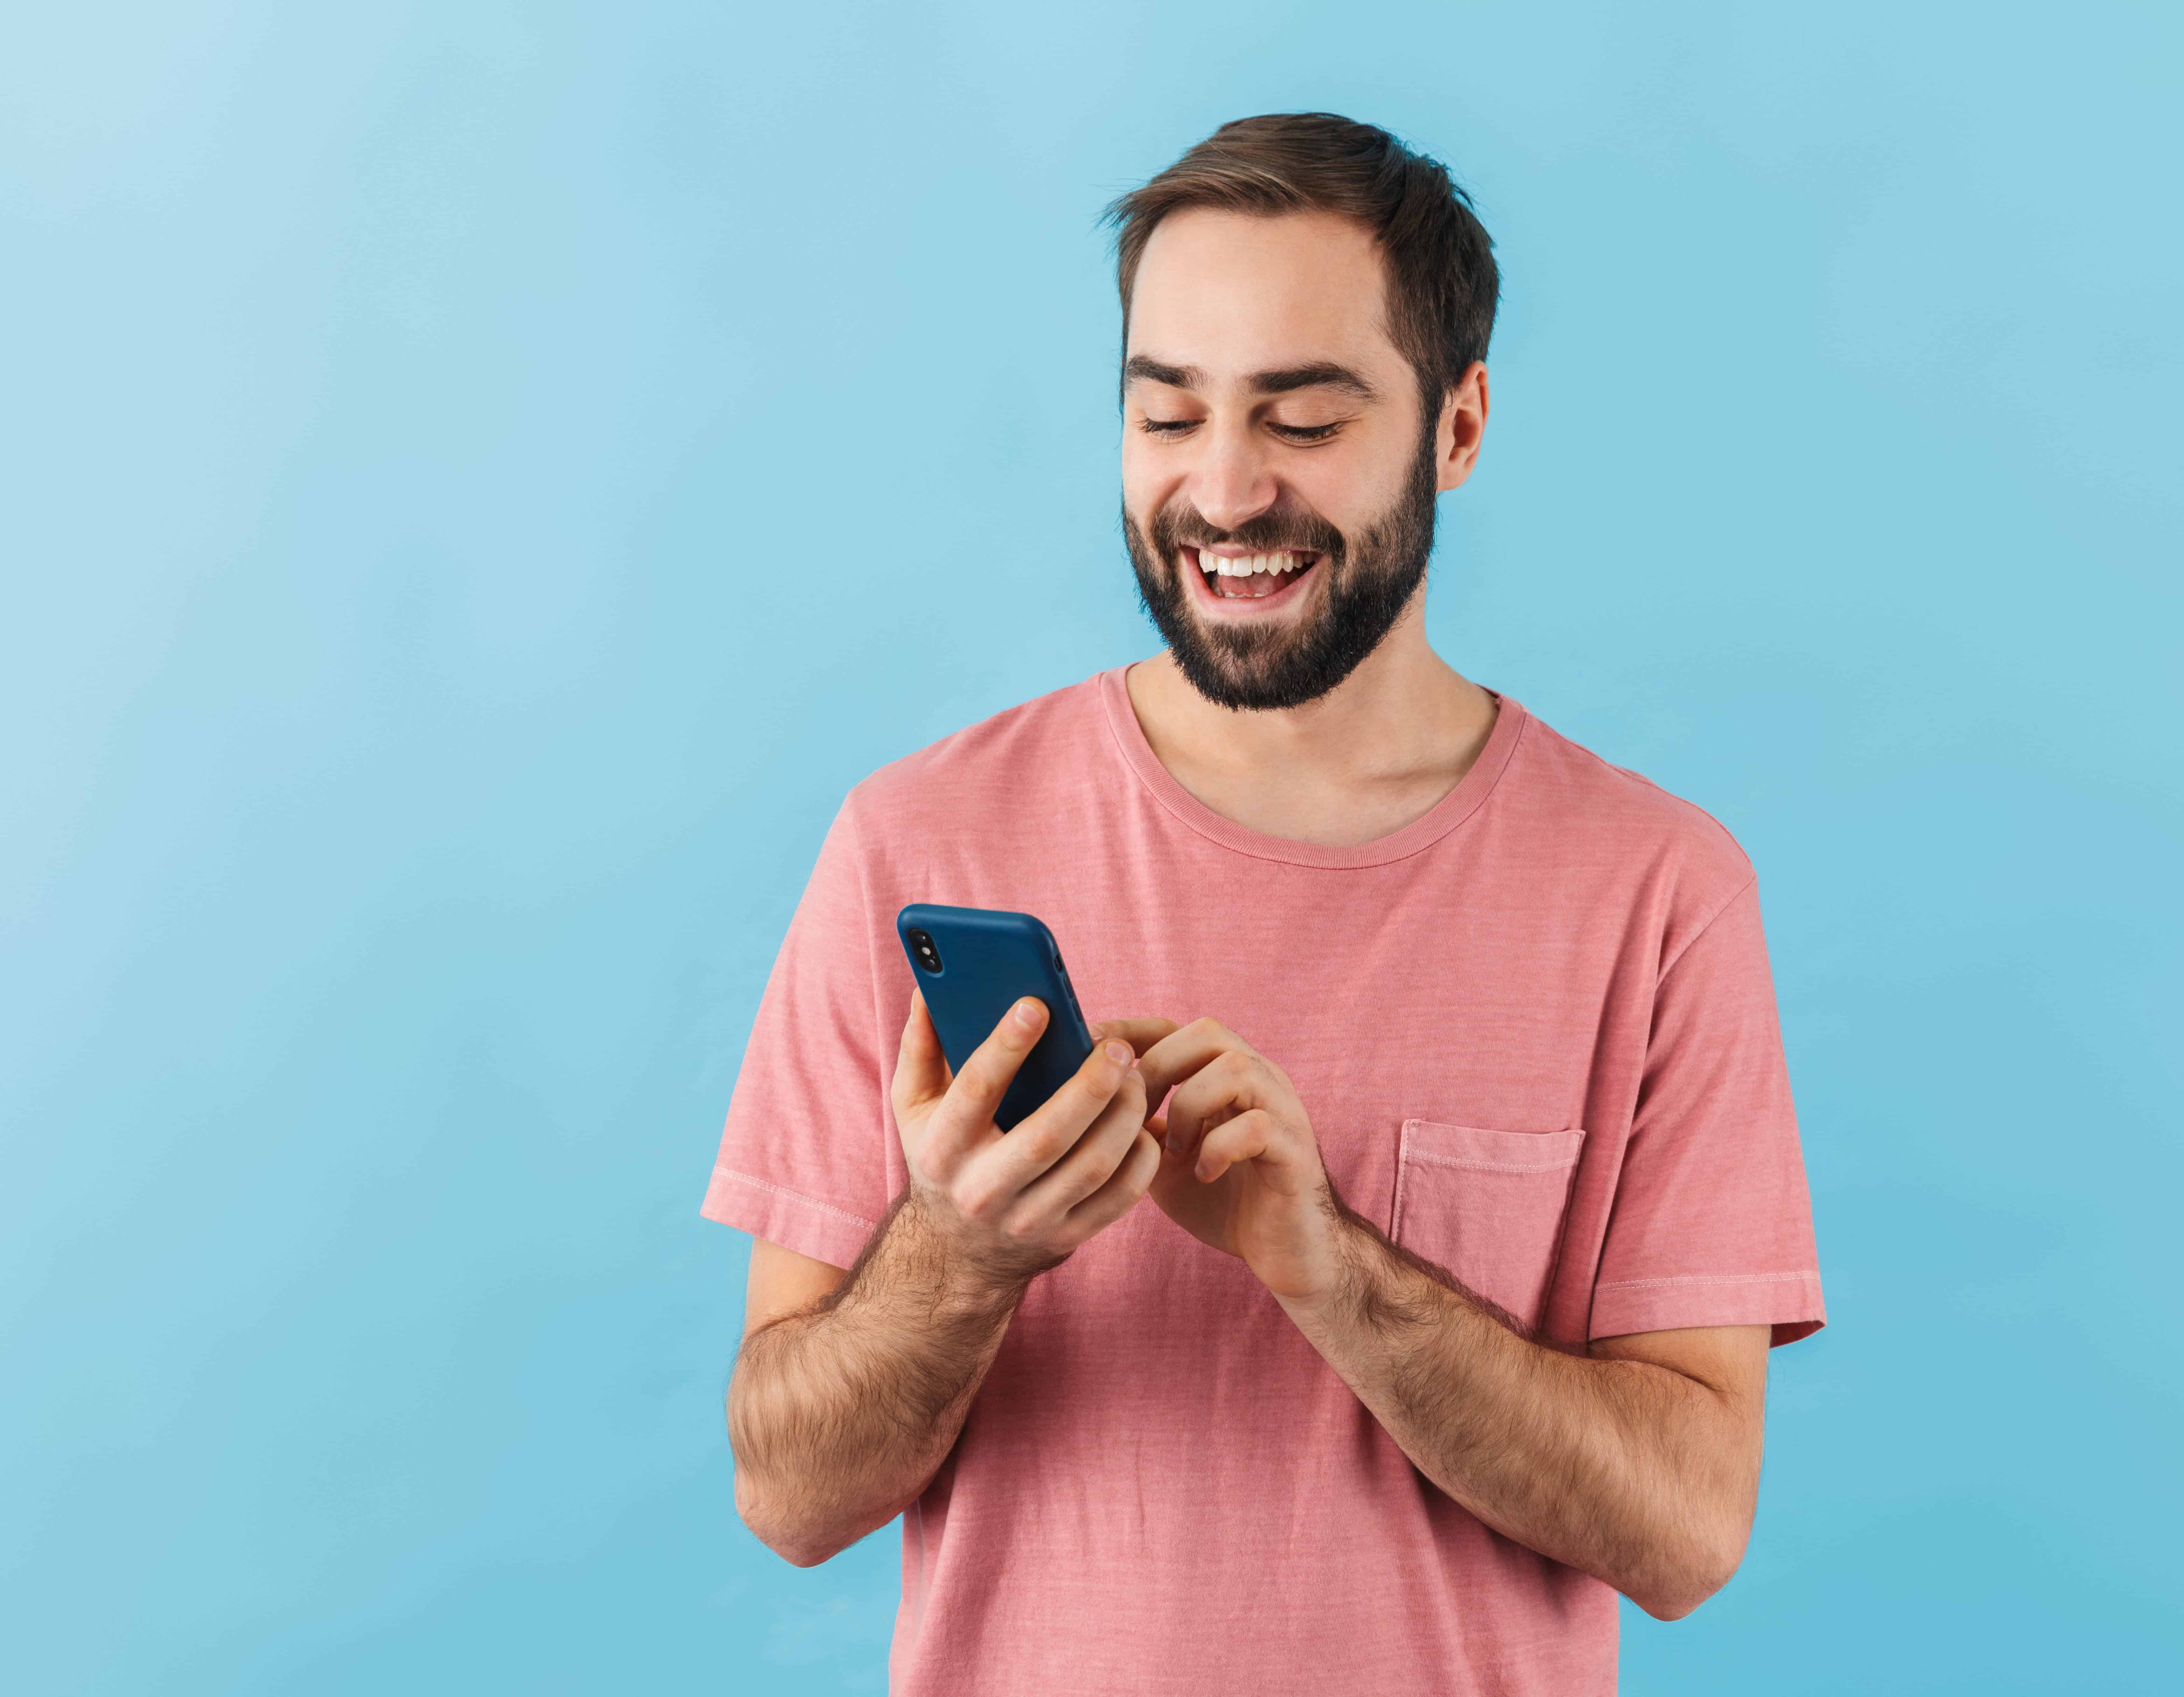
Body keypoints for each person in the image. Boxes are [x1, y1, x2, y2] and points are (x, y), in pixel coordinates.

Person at [701, 112, 1825, 1696]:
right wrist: (961, 1249)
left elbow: (1688, 1532)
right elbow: (784, 1493)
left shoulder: (1655, 889)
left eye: (1301, 419)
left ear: (1457, 427)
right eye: (1167, 415)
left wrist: (1327, 1265)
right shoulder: (918, 838)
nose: (1222, 493)